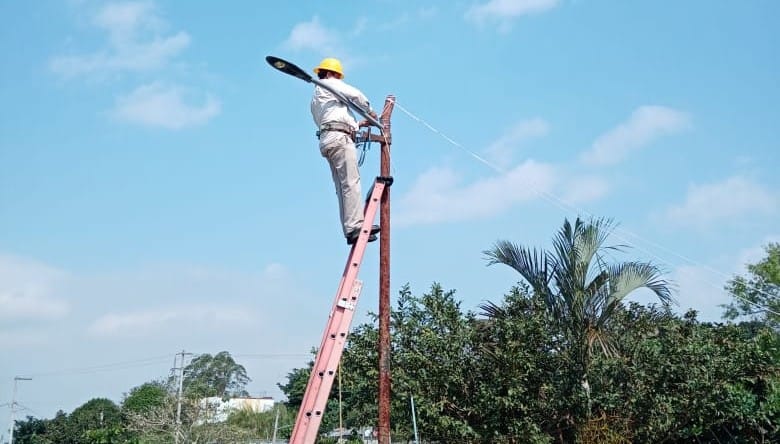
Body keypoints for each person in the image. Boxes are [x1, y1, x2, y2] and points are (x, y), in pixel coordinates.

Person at [310, 57, 380, 245]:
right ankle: (355, 226)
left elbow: (332, 119)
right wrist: (371, 113)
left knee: (342, 187)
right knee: (351, 182)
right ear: (330, 73)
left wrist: (357, 125)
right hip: (339, 139)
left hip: (328, 139)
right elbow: (356, 96)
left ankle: (350, 228)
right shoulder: (330, 84)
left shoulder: (317, 99)